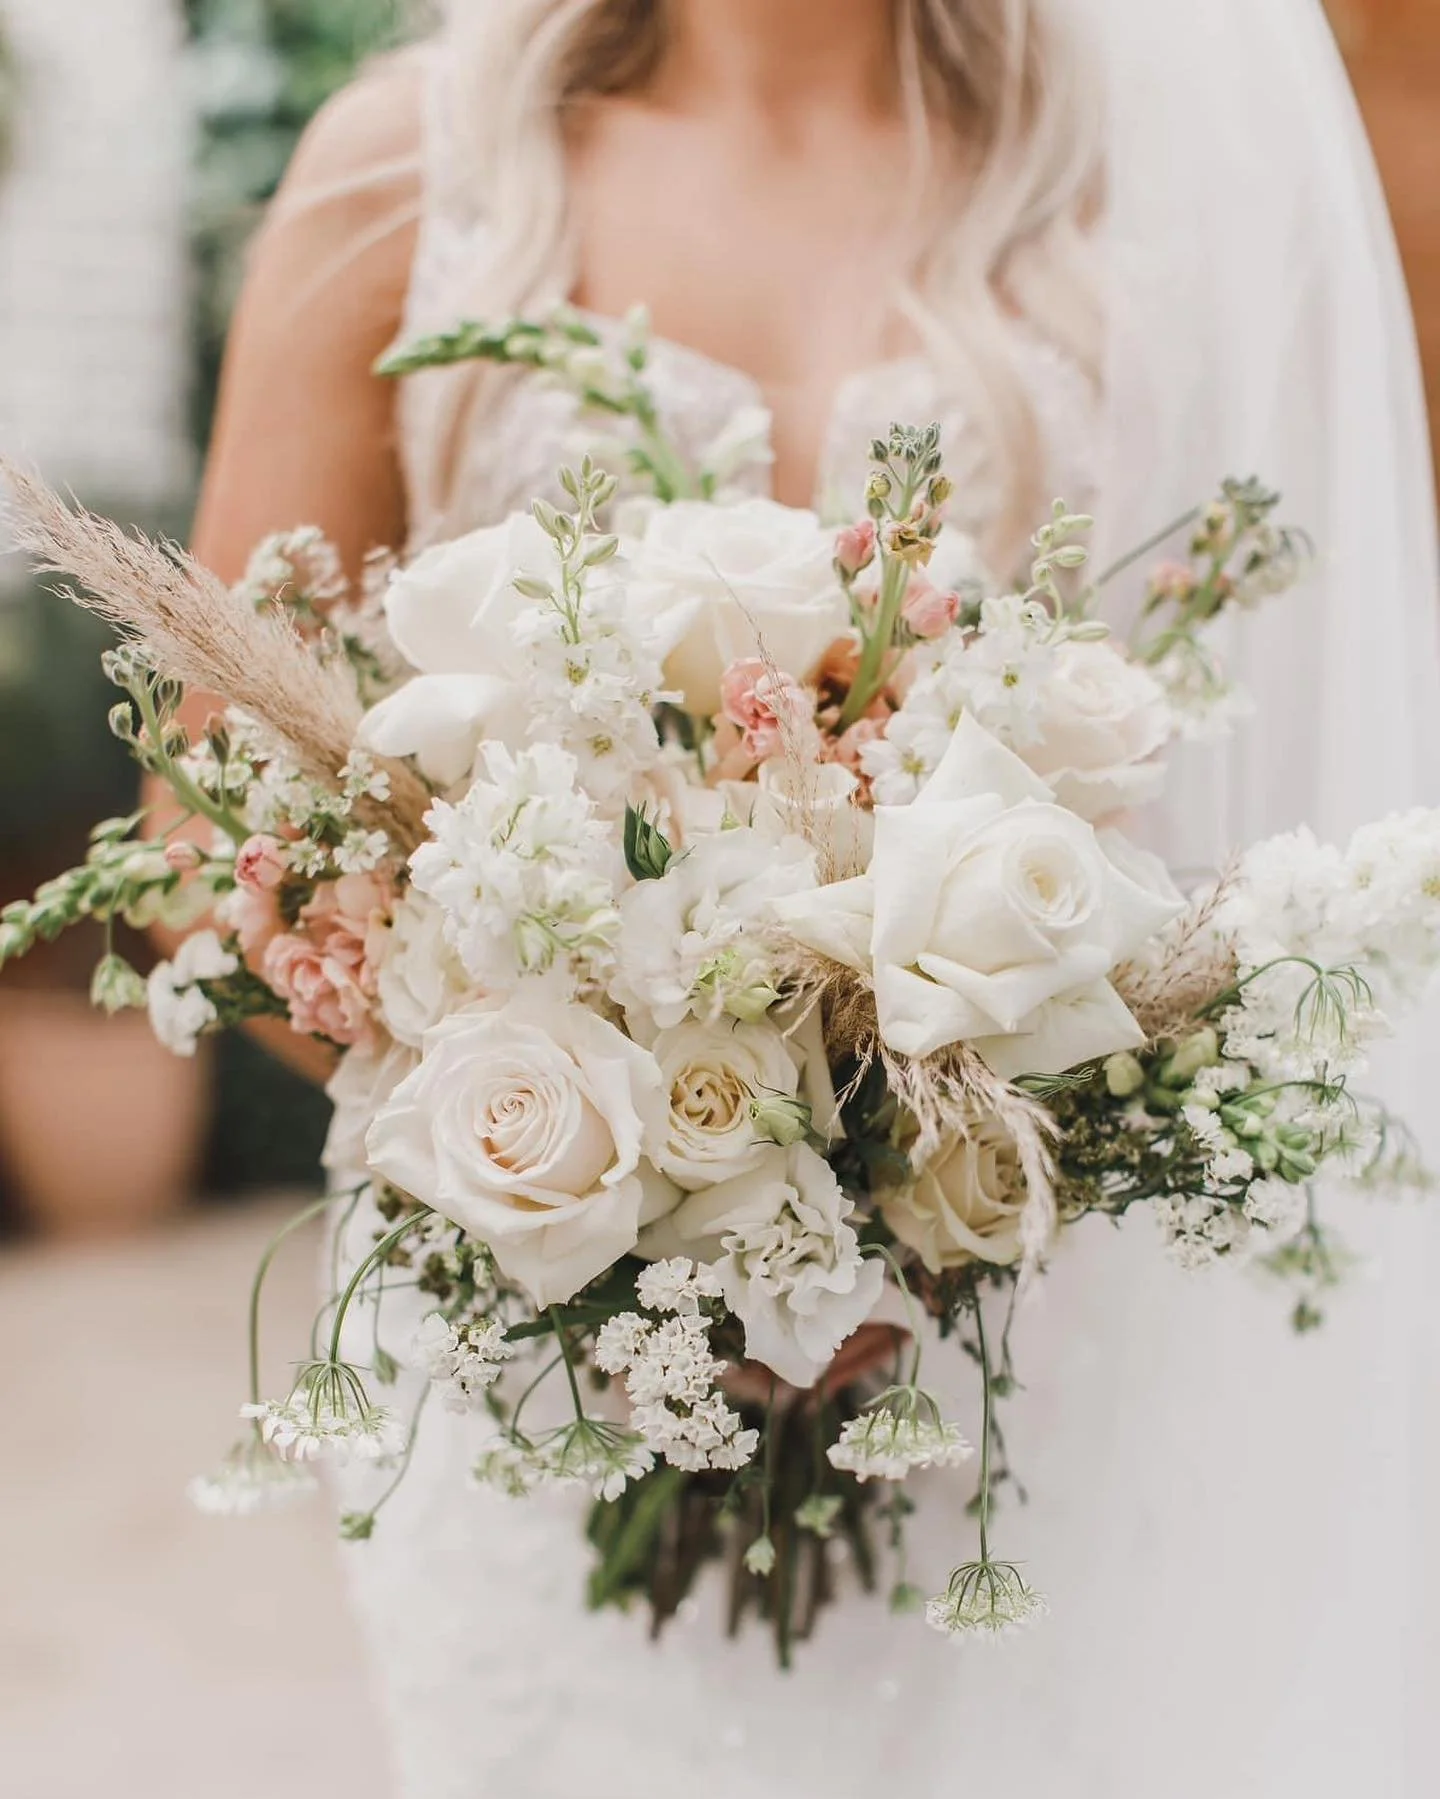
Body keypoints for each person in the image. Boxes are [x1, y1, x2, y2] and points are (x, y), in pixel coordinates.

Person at [188, 2, 1440, 1794]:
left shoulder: (1141, 210)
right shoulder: (407, 177)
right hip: (528, 1345)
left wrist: (911, 1208)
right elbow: (210, 831)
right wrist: (593, 1194)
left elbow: (1238, 795)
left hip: (1017, 1351)